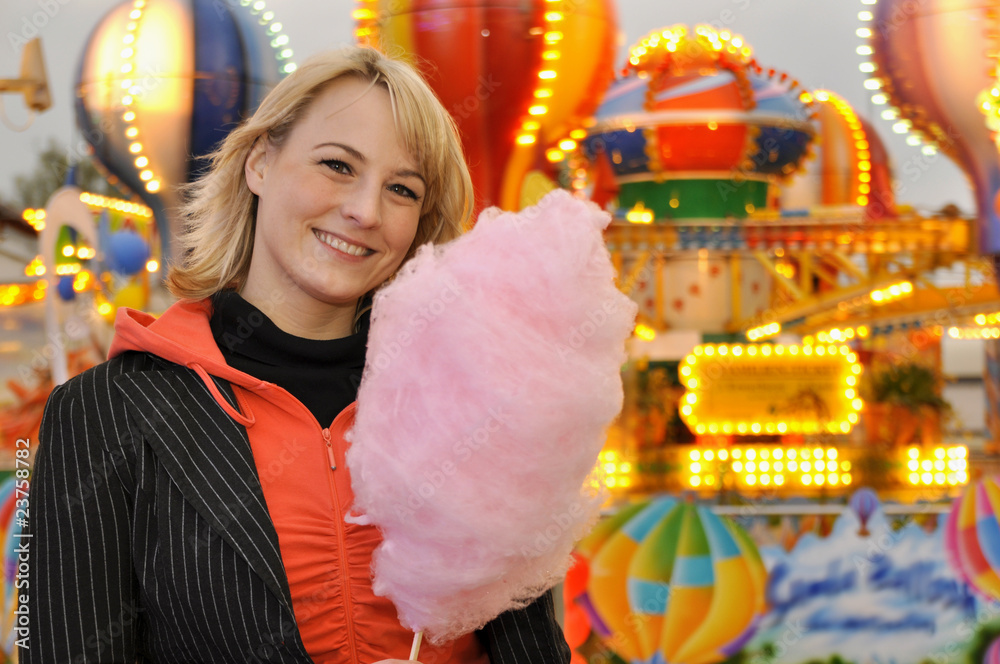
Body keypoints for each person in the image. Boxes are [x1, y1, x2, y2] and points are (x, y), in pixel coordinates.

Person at [22, 46, 572, 664]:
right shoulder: (103, 413)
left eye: (401, 189)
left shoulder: (470, 409)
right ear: (260, 162)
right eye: (337, 165)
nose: (365, 211)